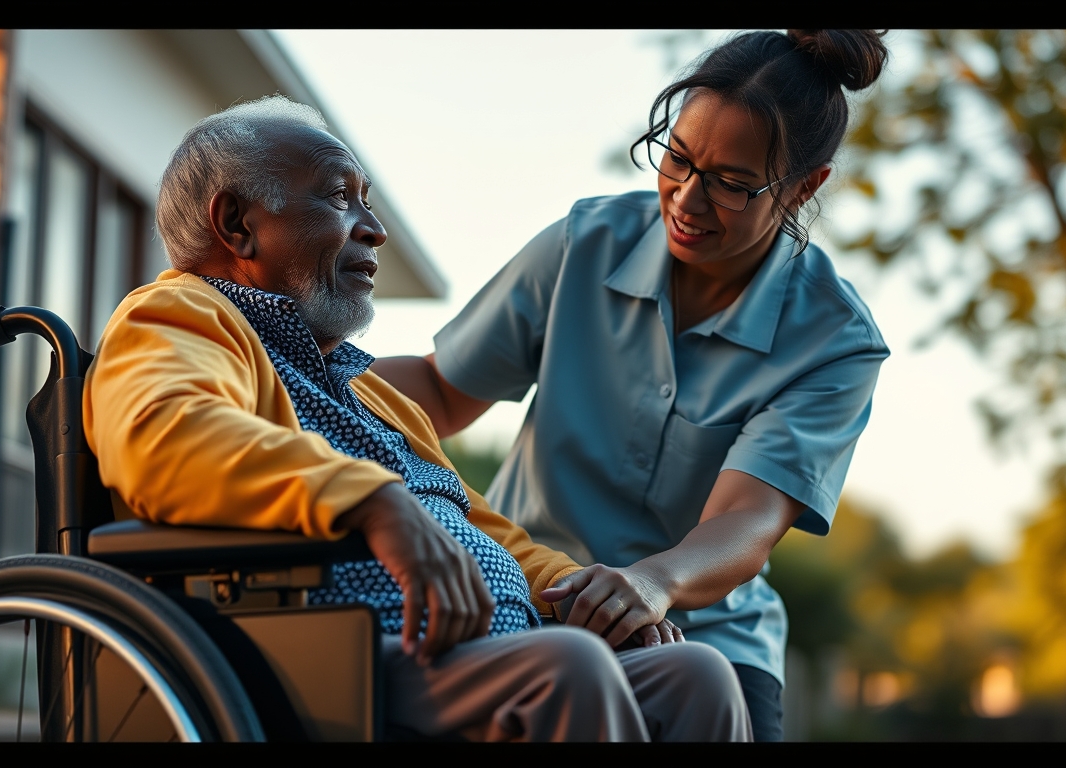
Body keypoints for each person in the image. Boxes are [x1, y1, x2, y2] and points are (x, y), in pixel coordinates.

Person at [82, 95, 752, 741]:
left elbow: (477, 524)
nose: (372, 228)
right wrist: (375, 504)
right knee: (564, 672)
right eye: (339, 197)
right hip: (317, 656)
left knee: (694, 676)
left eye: (367, 201)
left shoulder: (374, 392)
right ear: (236, 224)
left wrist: (577, 589)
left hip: (470, 654)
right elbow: (167, 433)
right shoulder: (179, 317)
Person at [371, 29, 892, 741]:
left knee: (707, 689)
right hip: (532, 595)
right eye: (677, 158)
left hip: (708, 633)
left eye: (732, 184)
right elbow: (438, 390)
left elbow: (746, 519)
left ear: (806, 187)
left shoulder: (834, 339)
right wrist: (296, 381)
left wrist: (653, 583)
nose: (687, 199)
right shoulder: (585, 243)